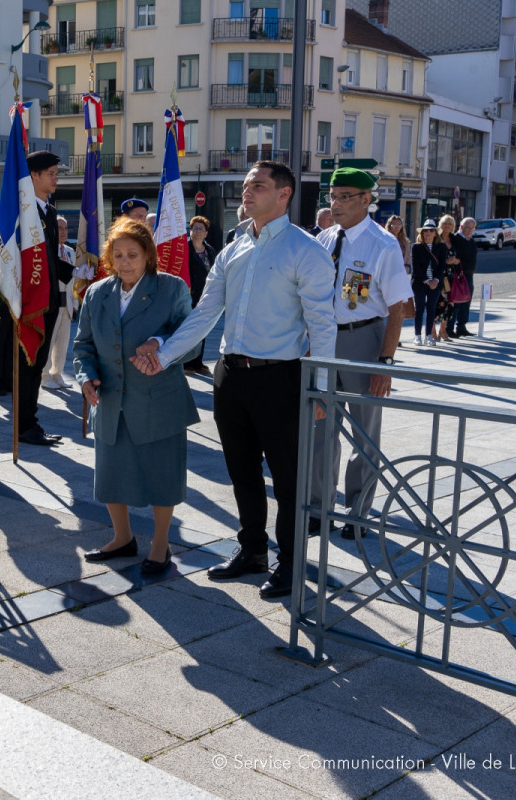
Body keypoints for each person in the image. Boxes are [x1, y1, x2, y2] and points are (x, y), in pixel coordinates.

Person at [133, 162, 336, 599]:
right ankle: (253, 551)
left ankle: (290, 563)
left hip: (281, 377)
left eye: (258, 185)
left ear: (284, 194)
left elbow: (322, 323)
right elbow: (205, 313)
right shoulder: (233, 249)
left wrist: (322, 384)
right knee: (241, 473)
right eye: (245, 185)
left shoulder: (306, 251)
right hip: (232, 375)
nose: (247, 191)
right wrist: (165, 354)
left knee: (287, 478)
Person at [74, 217, 198, 574]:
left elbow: (191, 344)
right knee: (111, 474)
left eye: (133, 254)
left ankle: (160, 545)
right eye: (119, 254)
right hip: (111, 400)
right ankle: (122, 538)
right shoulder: (97, 293)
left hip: (159, 401)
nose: (125, 261)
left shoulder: (171, 289)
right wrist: (86, 378)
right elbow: (82, 346)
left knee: (162, 475)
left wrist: (159, 343)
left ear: (148, 256)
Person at [309, 168, 412, 540]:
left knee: (364, 434)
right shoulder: (323, 239)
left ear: (366, 200)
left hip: (365, 339)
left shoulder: (382, 244)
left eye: (344, 197)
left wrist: (385, 361)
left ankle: (358, 511)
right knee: (321, 429)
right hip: (324, 341)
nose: (335, 204)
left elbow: (399, 306)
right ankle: (319, 510)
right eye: (332, 197)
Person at [14, 150, 74, 447]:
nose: (55, 178)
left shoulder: (49, 212)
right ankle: (24, 424)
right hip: (29, 302)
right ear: (34, 176)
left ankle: (29, 420)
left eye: (56, 173)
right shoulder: (22, 211)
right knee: (28, 363)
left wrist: (78, 271)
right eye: (50, 173)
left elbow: (50, 257)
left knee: (37, 366)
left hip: (50, 299)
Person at [42, 215, 76, 390]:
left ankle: (57, 373)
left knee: (63, 343)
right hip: (52, 303)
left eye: (65, 228)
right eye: (59, 228)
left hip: (67, 304)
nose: (63, 232)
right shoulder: (47, 250)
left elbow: (74, 282)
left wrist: (75, 304)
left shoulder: (70, 251)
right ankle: (45, 375)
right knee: (49, 340)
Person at [182, 215, 215, 375]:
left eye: (200, 228)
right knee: (188, 329)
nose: (196, 231)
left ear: (206, 233)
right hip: (188, 294)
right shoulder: (184, 248)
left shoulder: (209, 250)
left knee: (202, 329)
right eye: (193, 228)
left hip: (205, 294)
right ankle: (186, 362)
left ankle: (198, 362)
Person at [411, 219, 447, 347]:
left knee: (431, 309)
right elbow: (415, 267)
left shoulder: (441, 247)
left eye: (431, 231)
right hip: (420, 282)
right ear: (422, 233)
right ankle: (417, 336)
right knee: (419, 309)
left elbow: (442, 265)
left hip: (435, 283)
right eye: (426, 231)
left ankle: (428, 336)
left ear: (435, 233)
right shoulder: (416, 247)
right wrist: (427, 280)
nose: (428, 233)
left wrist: (436, 280)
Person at [449, 217, 478, 337]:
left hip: (468, 275)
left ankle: (461, 327)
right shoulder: (455, 239)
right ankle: (449, 328)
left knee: (466, 301)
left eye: (471, 228)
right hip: (457, 276)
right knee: (455, 302)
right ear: (461, 227)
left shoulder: (471, 240)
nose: (469, 230)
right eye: (466, 227)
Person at [433, 214, 460, 342]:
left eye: (450, 224)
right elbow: (432, 256)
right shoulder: (436, 238)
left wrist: (455, 261)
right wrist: (445, 261)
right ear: (440, 225)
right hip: (438, 275)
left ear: (453, 226)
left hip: (450, 277)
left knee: (450, 304)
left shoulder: (455, 240)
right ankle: (432, 331)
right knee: (436, 303)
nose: (447, 226)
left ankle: (443, 331)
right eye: (445, 223)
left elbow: (461, 257)